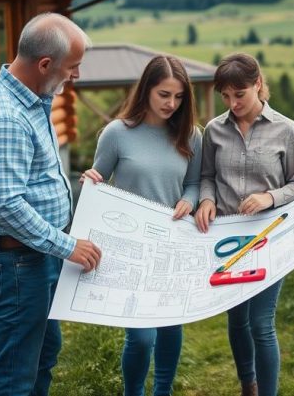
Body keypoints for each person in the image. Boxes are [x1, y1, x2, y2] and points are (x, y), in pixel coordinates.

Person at [0, 12, 102, 396]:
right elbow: (6, 206)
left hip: (34, 258)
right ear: (45, 64)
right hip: (17, 265)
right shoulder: (5, 118)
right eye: (72, 67)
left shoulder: (32, 99)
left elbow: (32, 180)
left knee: (43, 352)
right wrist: (68, 246)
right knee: (14, 374)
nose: (75, 75)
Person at [80, 55, 202, 396]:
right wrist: (91, 179)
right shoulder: (117, 133)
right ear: (146, 90)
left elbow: (194, 183)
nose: (172, 104)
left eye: (178, 97)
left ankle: (163, 390)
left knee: (169, 325)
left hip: (172, 245)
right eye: (164, 94)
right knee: (141, 335)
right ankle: (133, 392)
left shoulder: (191, 135)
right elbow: (98, 181)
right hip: (130, 248)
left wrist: (189, 201)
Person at [194, 53, 294, 396]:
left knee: (261, 323)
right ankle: (248, 384)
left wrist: (269, 197)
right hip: (226, 240)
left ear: (258, 84)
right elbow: (207, 177)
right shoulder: (214, 130)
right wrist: (208, 199)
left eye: (239, 94)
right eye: (225, 96)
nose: (233, 103)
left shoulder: (286, 130)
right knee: (237, 320)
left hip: (269, 238)